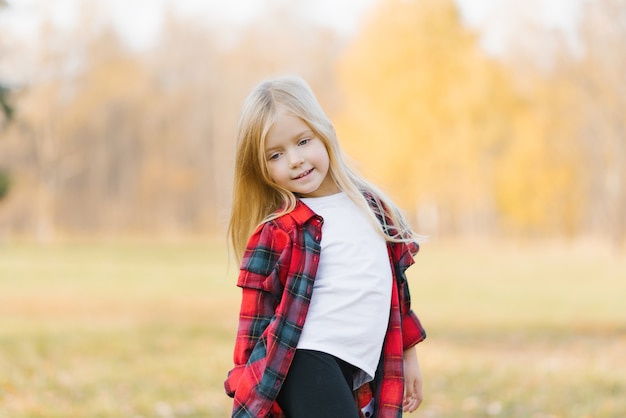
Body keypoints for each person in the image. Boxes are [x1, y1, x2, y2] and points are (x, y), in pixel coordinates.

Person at [224, 75, 426, 418]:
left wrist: (409, 356)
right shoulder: (280, 230)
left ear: (324, 131)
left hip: (361, 366)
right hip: (304, 359)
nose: (295, 160)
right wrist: (246, 387)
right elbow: (253, 322)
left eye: (303, 141)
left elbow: (396, 293)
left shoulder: (373, 208)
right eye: (276, 154)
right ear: (262, 169)